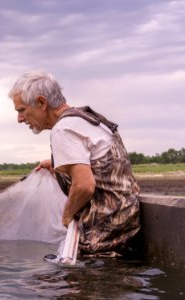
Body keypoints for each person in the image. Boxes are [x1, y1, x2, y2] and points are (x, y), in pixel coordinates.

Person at [7, 70, 141, 257]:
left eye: (21, 110)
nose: (20, 119)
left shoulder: (63, 129)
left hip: (104, 236)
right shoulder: (84, 119)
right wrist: (57, 165)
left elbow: (85, 186)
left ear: (42, 103)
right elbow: (102, 167)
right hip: (125, 222)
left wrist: (67, 215)